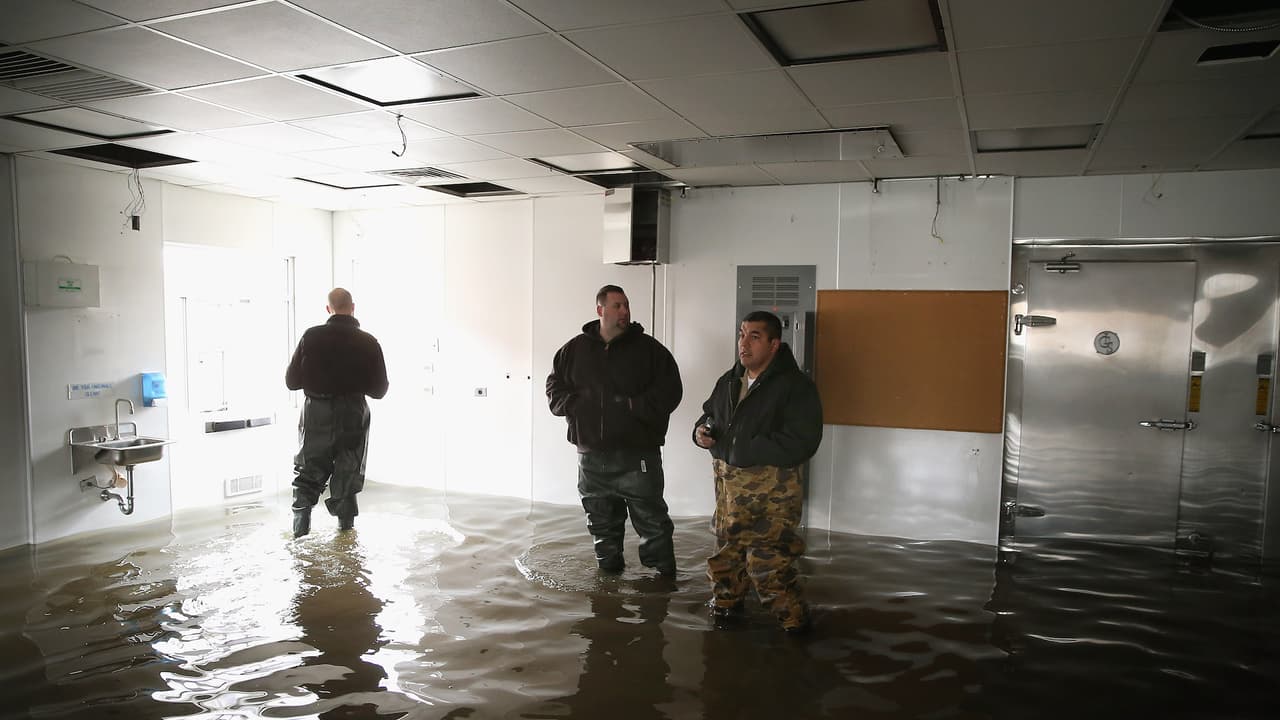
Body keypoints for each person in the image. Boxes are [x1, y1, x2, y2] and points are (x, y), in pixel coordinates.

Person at [693, 310, 823, 633]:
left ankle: (799, 633)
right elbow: (710, 414)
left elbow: (803, 441)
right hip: (729, 503)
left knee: (770, 572)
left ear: (774, 345)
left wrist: (747, 448)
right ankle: (725, 625)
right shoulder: (729, 381)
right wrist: (701, 431)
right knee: (725, 566)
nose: (743, 343)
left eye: (754, 337)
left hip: (771, 505)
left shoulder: (796, 388)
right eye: (741, 334)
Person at [547, 285, 683, 576]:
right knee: (601, 529)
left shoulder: (650, 351)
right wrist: (573, 405)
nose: (624, 312)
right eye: (617, 306)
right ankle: (607, 595)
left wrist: (634, 406)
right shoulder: (573, 351)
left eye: (626, 305)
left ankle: (663, 590)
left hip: (638, 457)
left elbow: (672, 391)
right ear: (600, 310)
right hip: (591, 459)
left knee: (654, 526)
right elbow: (554, 387)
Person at [285, 288, 389, 538]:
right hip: (353, 416)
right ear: (353, 307)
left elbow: (291, 382)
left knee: (308, 474)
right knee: (348, 475)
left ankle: (300, 537)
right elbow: (379, 391)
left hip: (315, 415)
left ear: (328, 309)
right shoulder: (369, 341)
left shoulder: (310, 337)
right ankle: (346, 542)